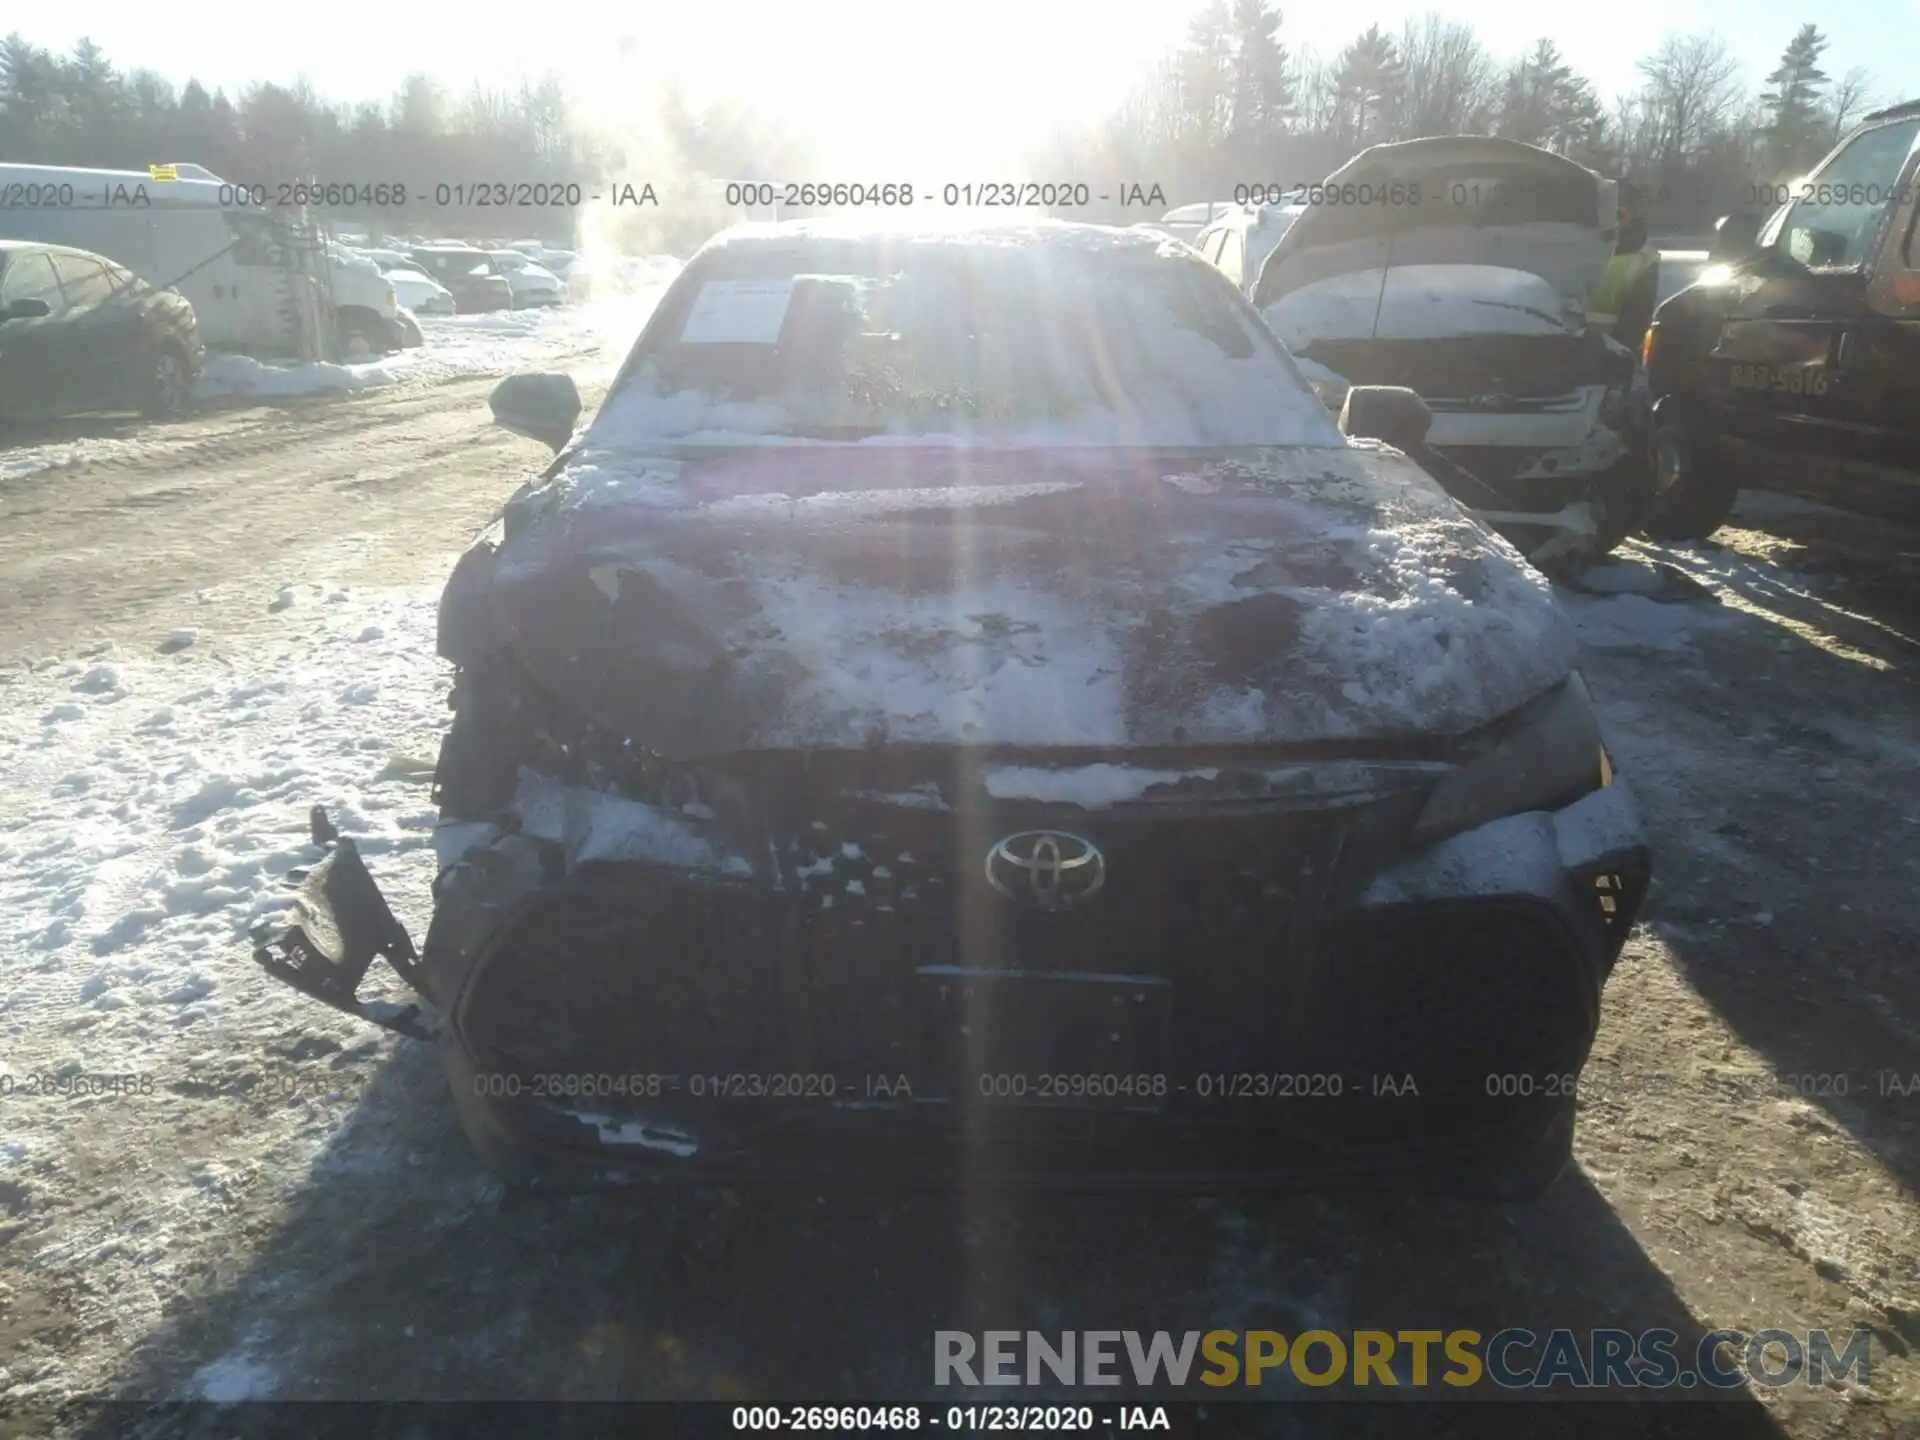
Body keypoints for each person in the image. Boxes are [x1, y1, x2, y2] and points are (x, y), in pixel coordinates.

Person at [1590, 180, 1661, 358]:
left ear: (1632, 214)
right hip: (1569, 351)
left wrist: (1615, 352)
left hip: (1613, 357)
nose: (1612, 220)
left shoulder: (1645, 258)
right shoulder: (1583, 245)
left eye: (1619, 214)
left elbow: (1637, 320)